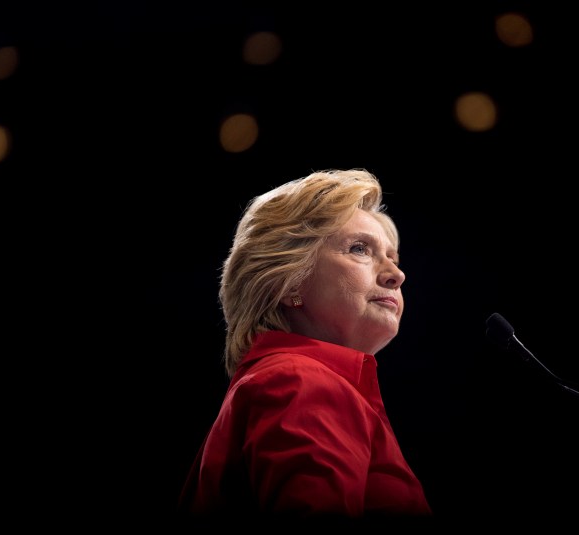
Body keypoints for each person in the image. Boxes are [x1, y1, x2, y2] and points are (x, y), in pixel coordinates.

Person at [177, 168, 432, 526]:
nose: (396, 274)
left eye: (394, 257)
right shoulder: (300, 380)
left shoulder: (286, 380)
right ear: (288, 283)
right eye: (360, 249)